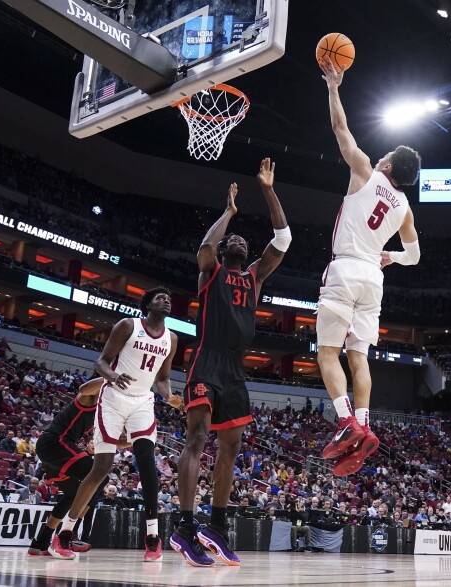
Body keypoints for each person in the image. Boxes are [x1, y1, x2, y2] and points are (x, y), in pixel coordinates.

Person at [172, 159, 291, 568]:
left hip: (236, 369)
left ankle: (216, 526)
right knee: (196, 438)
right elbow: (204, 248)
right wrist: (228, 213)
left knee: (233, 446)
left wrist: (268, 190)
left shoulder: (255, 276)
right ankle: (184, 526)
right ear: (226, 251)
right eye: (232, 239)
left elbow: (283, 240)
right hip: (206, 360)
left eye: (242, 238)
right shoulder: (211, 273)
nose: (238, 240)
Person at [316, 56, 422, 477]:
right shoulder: (406, 210)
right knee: (357, 357)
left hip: (344, 270)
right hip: (374, 280)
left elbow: (341, 130)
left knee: (326, 353)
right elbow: (414, 256)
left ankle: (345, 420)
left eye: (385, 154)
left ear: (389, 166)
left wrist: (333, 87)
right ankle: (363, 424)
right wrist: (391, 256)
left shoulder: (365, 171)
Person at [50, 287, 181, 562]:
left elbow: (163, 377)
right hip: (112, 399)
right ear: (148, 304)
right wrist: (113, 375)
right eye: (160, 297)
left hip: (143, 402)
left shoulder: (172, 338)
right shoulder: (128, 326)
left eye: (168, 299)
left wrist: (168, 396)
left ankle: (153, 536)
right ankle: (64, 533)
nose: (166, 300)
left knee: (146, 461)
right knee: (102, 467)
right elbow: (102, 362)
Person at [28, 378, 105, 555]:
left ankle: (40, 542)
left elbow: (119, 441)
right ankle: (68, 535)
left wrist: (140, 438)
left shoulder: (103, 412)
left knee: (72, 494)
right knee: (100, 476)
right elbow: (84, 388)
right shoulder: (90, 399)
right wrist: (113, 374)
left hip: (53, 450)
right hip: (55, 442)